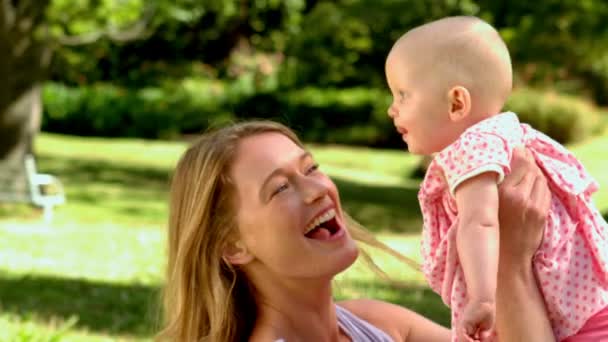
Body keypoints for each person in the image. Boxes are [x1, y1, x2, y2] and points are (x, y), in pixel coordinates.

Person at [156, 120, 555, 342]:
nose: (317, 190)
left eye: (311, 168)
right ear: (232, 244)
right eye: (279, 188)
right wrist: (509, 263)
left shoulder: (375, 323)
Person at [384, 15, 608, 342]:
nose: (392, 109)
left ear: (456, 103)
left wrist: (483, 298)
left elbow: (481, 222)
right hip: (587, 305)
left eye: (403, 95)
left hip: (580, 327)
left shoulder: (472, 149)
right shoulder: (507, 137)